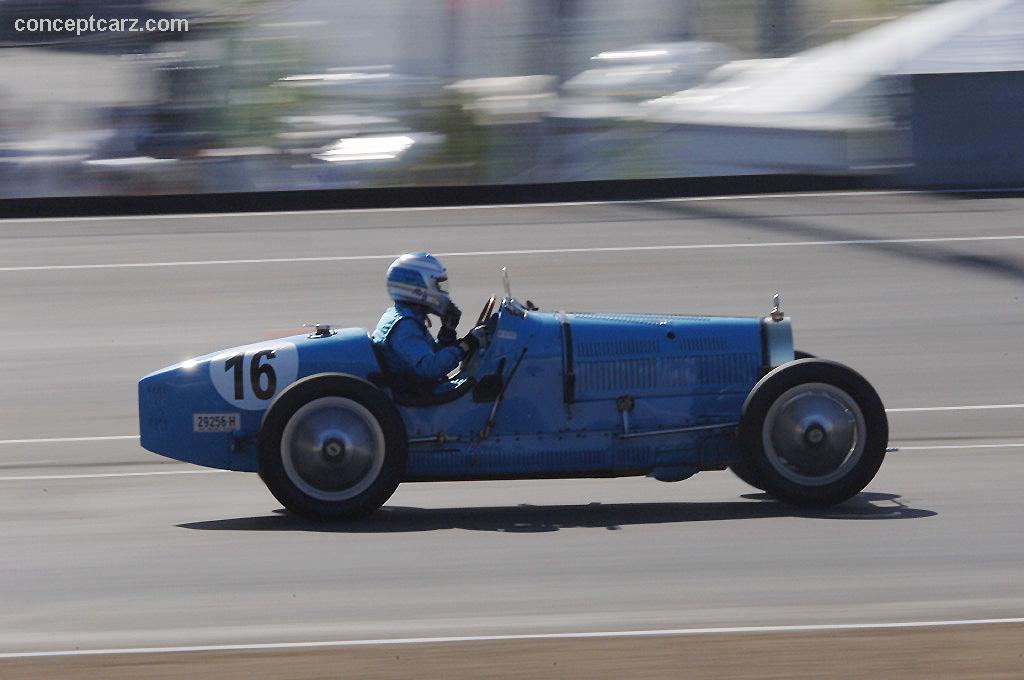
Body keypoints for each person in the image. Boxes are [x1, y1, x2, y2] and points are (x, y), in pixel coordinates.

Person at [371, 252, 488, 392]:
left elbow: (429, 357)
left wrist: (448, 331)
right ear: (418, 289)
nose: (442, 292)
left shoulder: (405, 316)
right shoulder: (405, 325)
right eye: (437, 286)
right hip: (416, 393)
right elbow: (430, 369)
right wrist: (467, 344)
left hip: (416, 385)